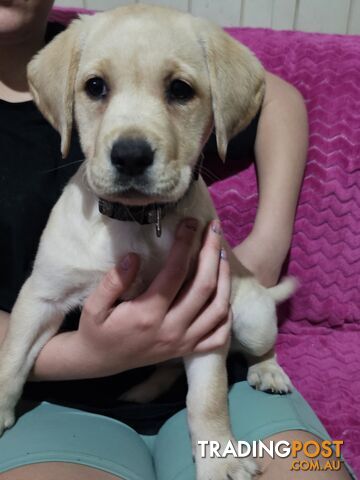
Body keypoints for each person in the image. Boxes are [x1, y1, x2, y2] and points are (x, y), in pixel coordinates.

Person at [0, 1, 354, 479]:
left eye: (179, 89)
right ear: (62, 100)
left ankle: (260, 361)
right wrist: (81, 360)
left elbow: (277, 98)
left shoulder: (101, 39)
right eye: (97, 88)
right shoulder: (71, 54)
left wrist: (268, 246)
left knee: (310, 470)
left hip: (222, 393)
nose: (131, 143)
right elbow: (40, 297)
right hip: (61, 405)